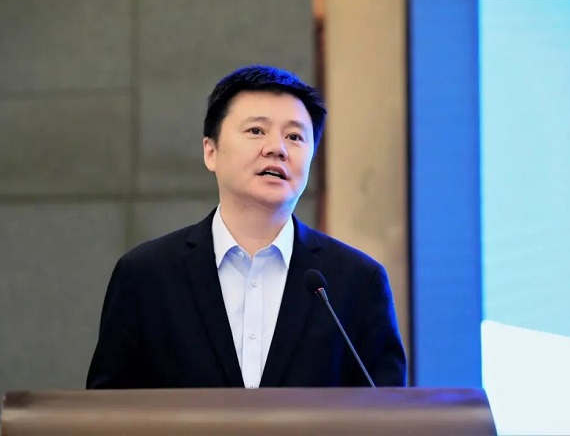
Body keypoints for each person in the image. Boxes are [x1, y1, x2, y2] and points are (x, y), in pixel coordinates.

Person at [86, 65, 406, 389]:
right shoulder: (145, 276)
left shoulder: (357, 282)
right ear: (211, 152)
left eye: (294, 137)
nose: (277, 148)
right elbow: (107, 407)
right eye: (256, 131)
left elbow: (388, 408)